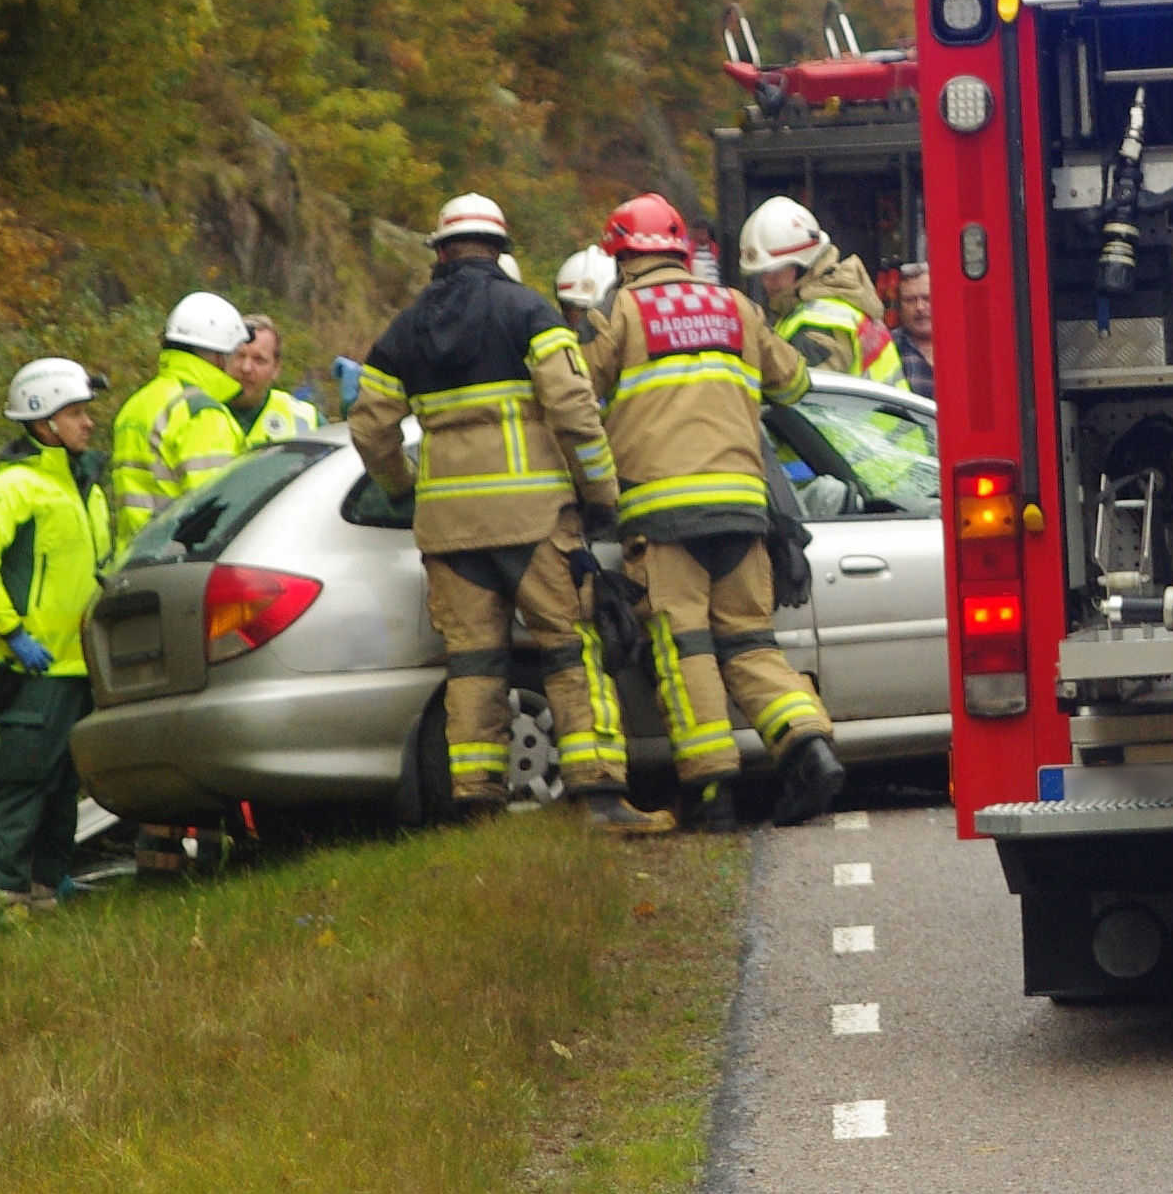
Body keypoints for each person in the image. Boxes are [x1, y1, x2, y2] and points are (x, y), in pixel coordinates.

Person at [351, 194, 672, 837]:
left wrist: (403, 489)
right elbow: (574, 410)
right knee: (570, 650)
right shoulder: (528, 312)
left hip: (449, 533)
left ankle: (478, 806)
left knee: (473, 663)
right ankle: (600, 799)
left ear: (441, 251)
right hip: (533, 523)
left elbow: (369, 430)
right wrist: (600, 491)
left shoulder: (404, 330)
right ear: (499, 249)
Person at [584, 192, 845, 830]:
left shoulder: (619, 312)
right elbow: (794, 383)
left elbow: (575, 394)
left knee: (686, 650)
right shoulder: (737, 306)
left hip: (664, 518)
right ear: (680, 251)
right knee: (750, 642)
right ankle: (809, 747)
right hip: (743, 512)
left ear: (622, 257)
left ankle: (711, 795)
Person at [0, 358, 118, 911]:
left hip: (80, 667)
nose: (88, 423)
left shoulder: (86, 486)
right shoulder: (17, 485)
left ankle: (48, 889)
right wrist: (12, 630)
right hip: (34, 670)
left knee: (64, 786)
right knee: (23, 783)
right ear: (44, 422)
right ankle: (3, 895)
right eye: (75, 413)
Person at [113, 291, 254, 535]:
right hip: (180, 554)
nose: (240, 366)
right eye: (235, 355)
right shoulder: (200, 413)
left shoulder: (137, 404)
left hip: (135, 553)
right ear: (218, 357)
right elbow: (216, 509)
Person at [739, 196, 908, 388]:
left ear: (804, 266)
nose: (767, 281)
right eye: (762, 273)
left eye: (776, 271)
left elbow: (812, 400)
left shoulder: (816, 326)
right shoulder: (841, 300)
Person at [231, 313, 323, 446]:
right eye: (239, 356)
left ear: (276, 368)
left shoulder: (307, 419)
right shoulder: (202, 410)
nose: (246, 368)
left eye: (258, 360)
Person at [889, 260, 936, 399]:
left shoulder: (962, 346)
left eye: (927, 298)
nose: (919, 307)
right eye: (909, 300)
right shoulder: (888, 347)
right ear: (899, 306)